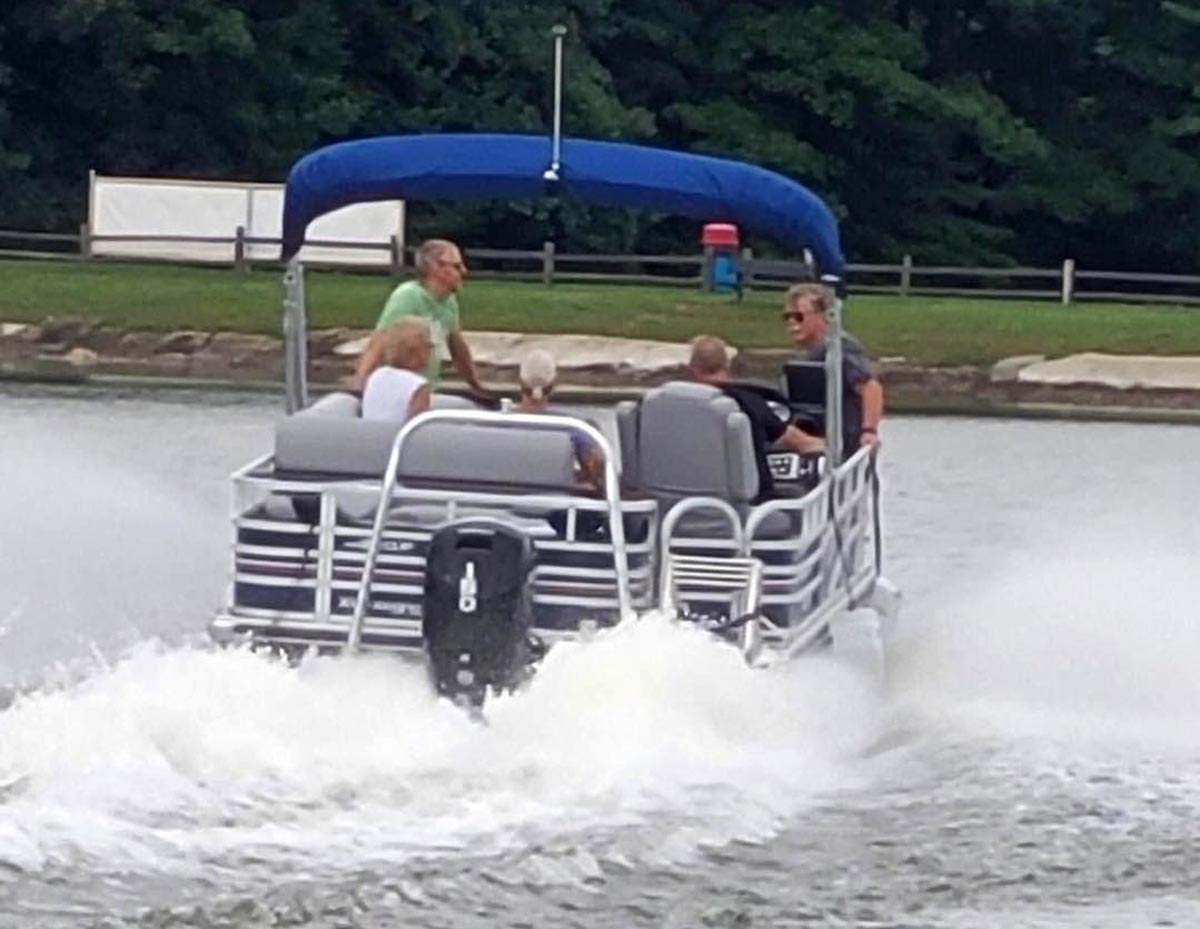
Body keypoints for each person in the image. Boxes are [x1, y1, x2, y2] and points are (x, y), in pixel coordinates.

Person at [688, 335, 824, 502]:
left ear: (693, 368)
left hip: (679, 511)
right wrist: (834, 446)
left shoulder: (675, 406)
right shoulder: (748, 402)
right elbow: (802, 443)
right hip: (748, 514)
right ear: (727, 365)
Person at [353, 239, 492, 399]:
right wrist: (360, 386)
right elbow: (378, 343)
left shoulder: (449, 301)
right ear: (435, 267)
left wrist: (476, 386)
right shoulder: (408, 296)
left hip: (423, 390)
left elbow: (457, 347)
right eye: (456, 266)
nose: (464, 271)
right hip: (397, 392)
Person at [782, 282, 884, 455]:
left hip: (839, 442)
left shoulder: (840, 347)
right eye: (787, 317)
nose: (792, 323)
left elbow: (870, 387)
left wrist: (869, 431)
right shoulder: (812, 353)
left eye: (799, 316)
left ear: (824, 316)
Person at [516, 349, 605, 492]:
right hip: (557, 506)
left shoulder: (493, 423)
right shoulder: (575, 428)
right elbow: (597, 471)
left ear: (519, 382)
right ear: (554, 385)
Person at [360, 317, 433, 423]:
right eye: (428, 346)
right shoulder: (418, 386)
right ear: (415, 351)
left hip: (369, 436)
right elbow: (418, 431)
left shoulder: (375, 376)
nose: (430, 352)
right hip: (396, 438)